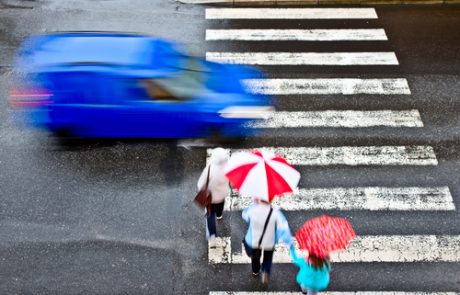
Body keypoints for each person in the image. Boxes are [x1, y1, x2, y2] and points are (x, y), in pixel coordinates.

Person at [242, 198, 293, 285]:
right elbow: (284, 229)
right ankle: (265, 271)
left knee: (255, 257)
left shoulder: (252, 210)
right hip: (269, 241)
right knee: (268, 258)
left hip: (254, 241)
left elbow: (244, 215)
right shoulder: (276, 213)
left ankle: (255, 271)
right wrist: (289, 242)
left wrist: (255, 203)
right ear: (271, 199)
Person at [197, 147, 229, 240]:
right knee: (220, 206)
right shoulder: (227, 168)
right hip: (222, 194)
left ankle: (212, 233)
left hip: (211, 197)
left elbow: (201, 183)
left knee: (210, 214)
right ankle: (219, 215)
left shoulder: (210, 169)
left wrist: (201, 189)